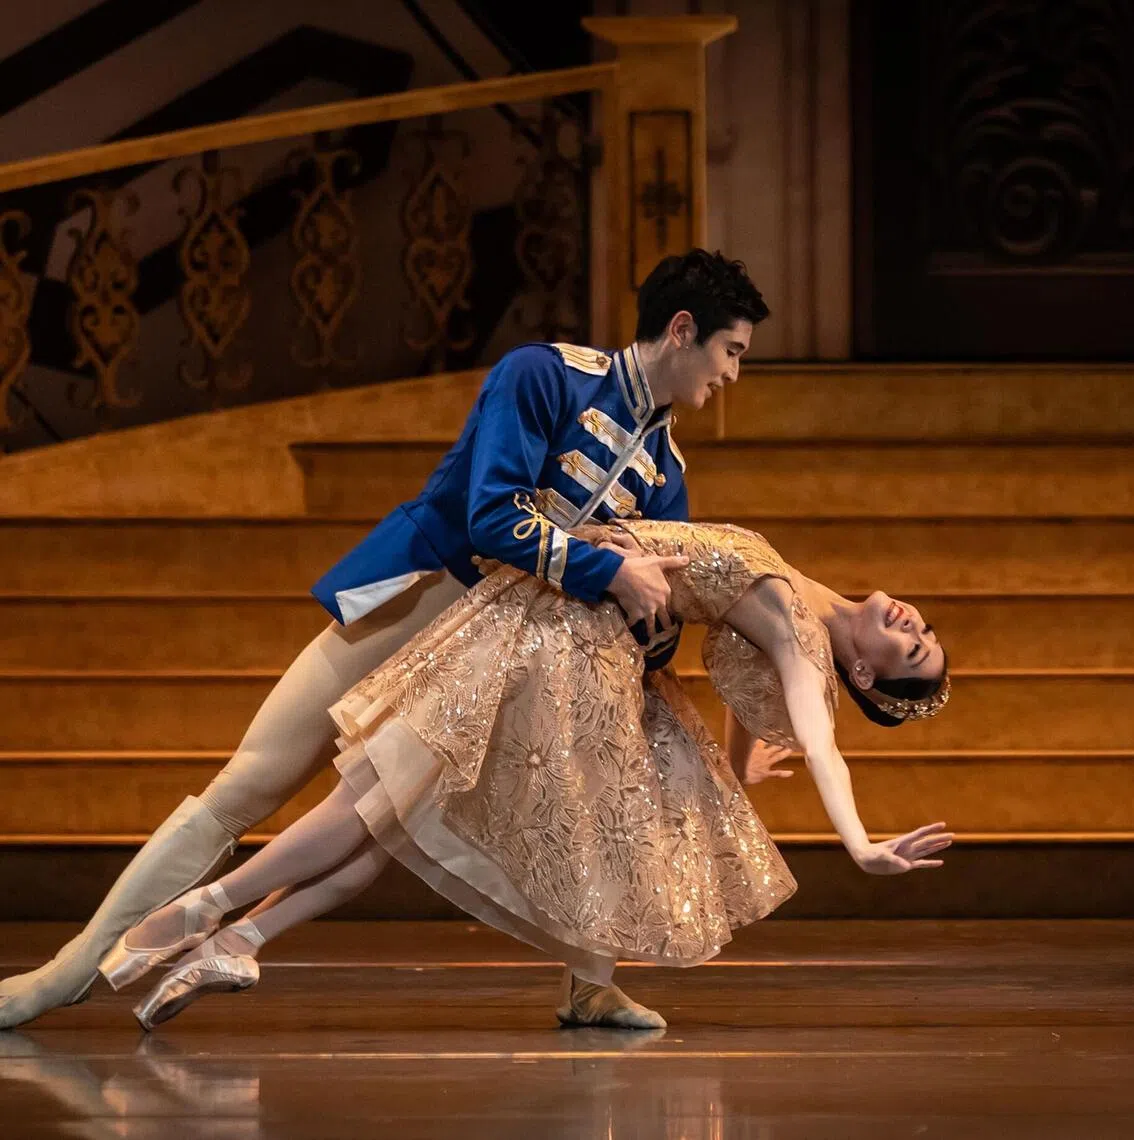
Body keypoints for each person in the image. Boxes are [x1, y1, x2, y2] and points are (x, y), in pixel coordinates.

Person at [0, 250, 771, 1030]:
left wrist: (657, 620)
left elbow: (648, 619)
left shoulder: (665, 468)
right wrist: (611, 571)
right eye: (730, 351)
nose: (732, 376)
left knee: (383, 828)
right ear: (682, 330)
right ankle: (68, 971)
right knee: (251, 785)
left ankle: (581, 981)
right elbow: (491, 517)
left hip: (498, 659)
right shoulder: (544, 375)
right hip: (427, 590)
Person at [112, 518, 952, 1032]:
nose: (914, 624)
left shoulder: (803, 640)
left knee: (388, 798)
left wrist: (859, 844)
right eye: (926, 630)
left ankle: (203, 922)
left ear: (869, 677)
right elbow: (741, 677)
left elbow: (819, 734)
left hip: (564, 636)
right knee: (391, 803)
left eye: (911, 649)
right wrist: (733, 769)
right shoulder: (800, 605)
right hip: (562, 617)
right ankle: (230, 937)